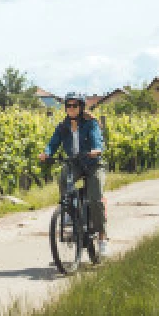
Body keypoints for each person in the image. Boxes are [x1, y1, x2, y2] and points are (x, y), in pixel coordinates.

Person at [38, 92, 108, 258]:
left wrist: (96, 150)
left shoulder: (90, 124)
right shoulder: (63, 126)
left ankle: (102, 236)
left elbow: (96, 140)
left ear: (81, 107)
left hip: (93, 164)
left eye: (74, 105)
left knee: (95, 199)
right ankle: (69, 211)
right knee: (63, 177)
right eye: (68, 105)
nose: (71, 108)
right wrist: (46, 153)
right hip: (74, 163)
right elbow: (53, 142)